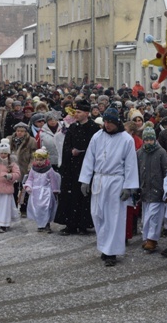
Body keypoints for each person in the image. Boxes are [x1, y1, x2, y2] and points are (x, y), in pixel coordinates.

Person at [79, 108, 139, 267]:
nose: (107, 125)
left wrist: (129, 186)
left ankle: (111, 252)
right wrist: (85, 180)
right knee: (97, 214)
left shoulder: (126, 139)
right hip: (99, 179)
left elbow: (131, 164)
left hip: (115, 181)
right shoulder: (97, 137)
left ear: (116, 122)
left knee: (114, 216)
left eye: (110, 122)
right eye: (105, 122)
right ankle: (104, 246)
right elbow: (89, 158)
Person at [55, 100, 99, 236]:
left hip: (86, 167)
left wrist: (84, 152)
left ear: (86, 113)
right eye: (76, 112)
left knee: (83, 195)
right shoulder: (73, 128)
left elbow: (96, 148)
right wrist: (71, 151)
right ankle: (70, 224)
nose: (77, 115)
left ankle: (83, 224)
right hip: (72, 167)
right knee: (70, 195)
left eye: (79, 112)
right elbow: (66, 146)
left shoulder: (94, 129)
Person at [136, 125, 167, 253]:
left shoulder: (161, 152)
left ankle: (152, 238)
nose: (148, 142)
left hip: (157, 189)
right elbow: (137, 170)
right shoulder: (140, 153)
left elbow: (166, 169)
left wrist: (165, 186)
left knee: (154, 216)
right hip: (145, 189)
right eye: (146, 140)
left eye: (151, 140)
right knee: (146, 216)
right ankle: (146, 237)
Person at [0, 138, 21, 233]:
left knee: (5, 206)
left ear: (8, 153)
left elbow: (17, 173)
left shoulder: (12, 163)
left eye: (5, 153)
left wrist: (10, 176)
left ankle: (4, 223)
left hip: (6, 188)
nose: (3, 155)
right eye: (1, 153)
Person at [24, 147, 61, 233]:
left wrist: (55, 190)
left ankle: (47, 224)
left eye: (41, 160)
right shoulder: (33, 169)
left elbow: (53, 180)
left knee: (47, 207)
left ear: (45, 159)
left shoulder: (49, 170)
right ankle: (40, 225)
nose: (39, 162)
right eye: (37, 160)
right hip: (36, 193)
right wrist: (28, 186)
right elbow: (30, 179)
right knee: (38, 208)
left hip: (46, 192)